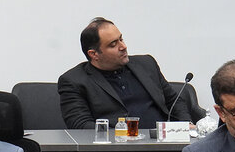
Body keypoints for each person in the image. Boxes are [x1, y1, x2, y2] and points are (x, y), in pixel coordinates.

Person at [58, 17, 193, 129]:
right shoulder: (74, 81)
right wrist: (124, 136)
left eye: (121, 39)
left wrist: (186, 125)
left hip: (162, 143)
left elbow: (174, 101)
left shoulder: (147, 64)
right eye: (113, 44)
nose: (123, 47)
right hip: (117, 149)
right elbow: (80, 125)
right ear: (94, 54)